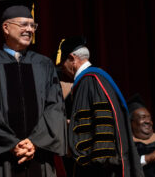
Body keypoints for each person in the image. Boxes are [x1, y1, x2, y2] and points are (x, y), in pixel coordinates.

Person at [0, 0, 66, 177]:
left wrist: (34, 142)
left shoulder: (44, 64)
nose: (29, 30)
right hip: (4, 157)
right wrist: (11, 144)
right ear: (6, 28)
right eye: (24, 25)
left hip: (40, 154)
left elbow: (55, 107)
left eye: (33, 26)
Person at [55, 36, 144, 177]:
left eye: (62, 64)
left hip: (100, 168)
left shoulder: (89, 81)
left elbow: (101, 128)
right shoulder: (98, 78)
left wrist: (97, 161)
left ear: (73, 58)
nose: (63, 70)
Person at [128, 93, 155, 177]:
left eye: (149, 118)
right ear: (131, 122)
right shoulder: (124, 145)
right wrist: (147, 158)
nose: (148, 121)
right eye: (143, 117)